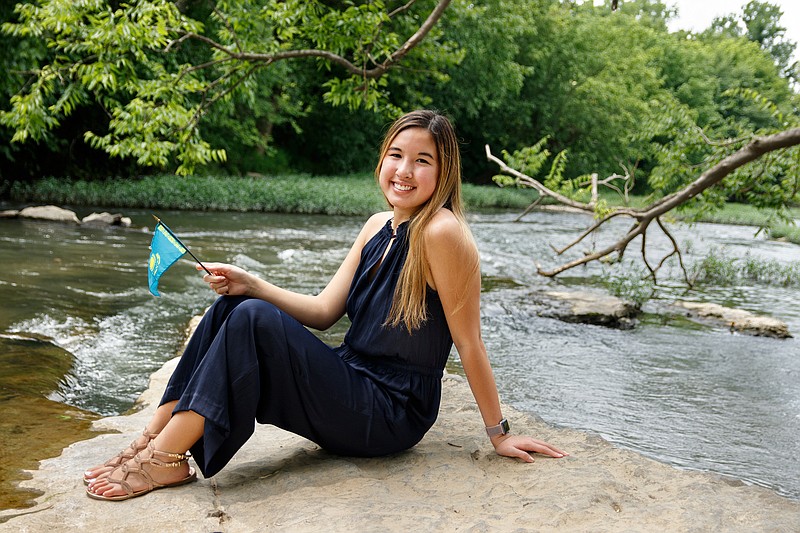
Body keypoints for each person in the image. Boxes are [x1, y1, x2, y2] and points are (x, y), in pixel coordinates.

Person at [85, 109, 567, 501]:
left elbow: (470, 342)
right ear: (381, 161)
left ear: (443, 173)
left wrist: (499, 434)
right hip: (351, 379)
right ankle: (153, 439)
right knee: (235, 308)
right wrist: (251, 282)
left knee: (251, 318)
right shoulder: (379, 224)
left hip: (390, 411)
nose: (404, 170)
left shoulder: (442, 232)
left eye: (422, 160)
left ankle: (162, 462)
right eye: (396, 155)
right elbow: (322, 312)